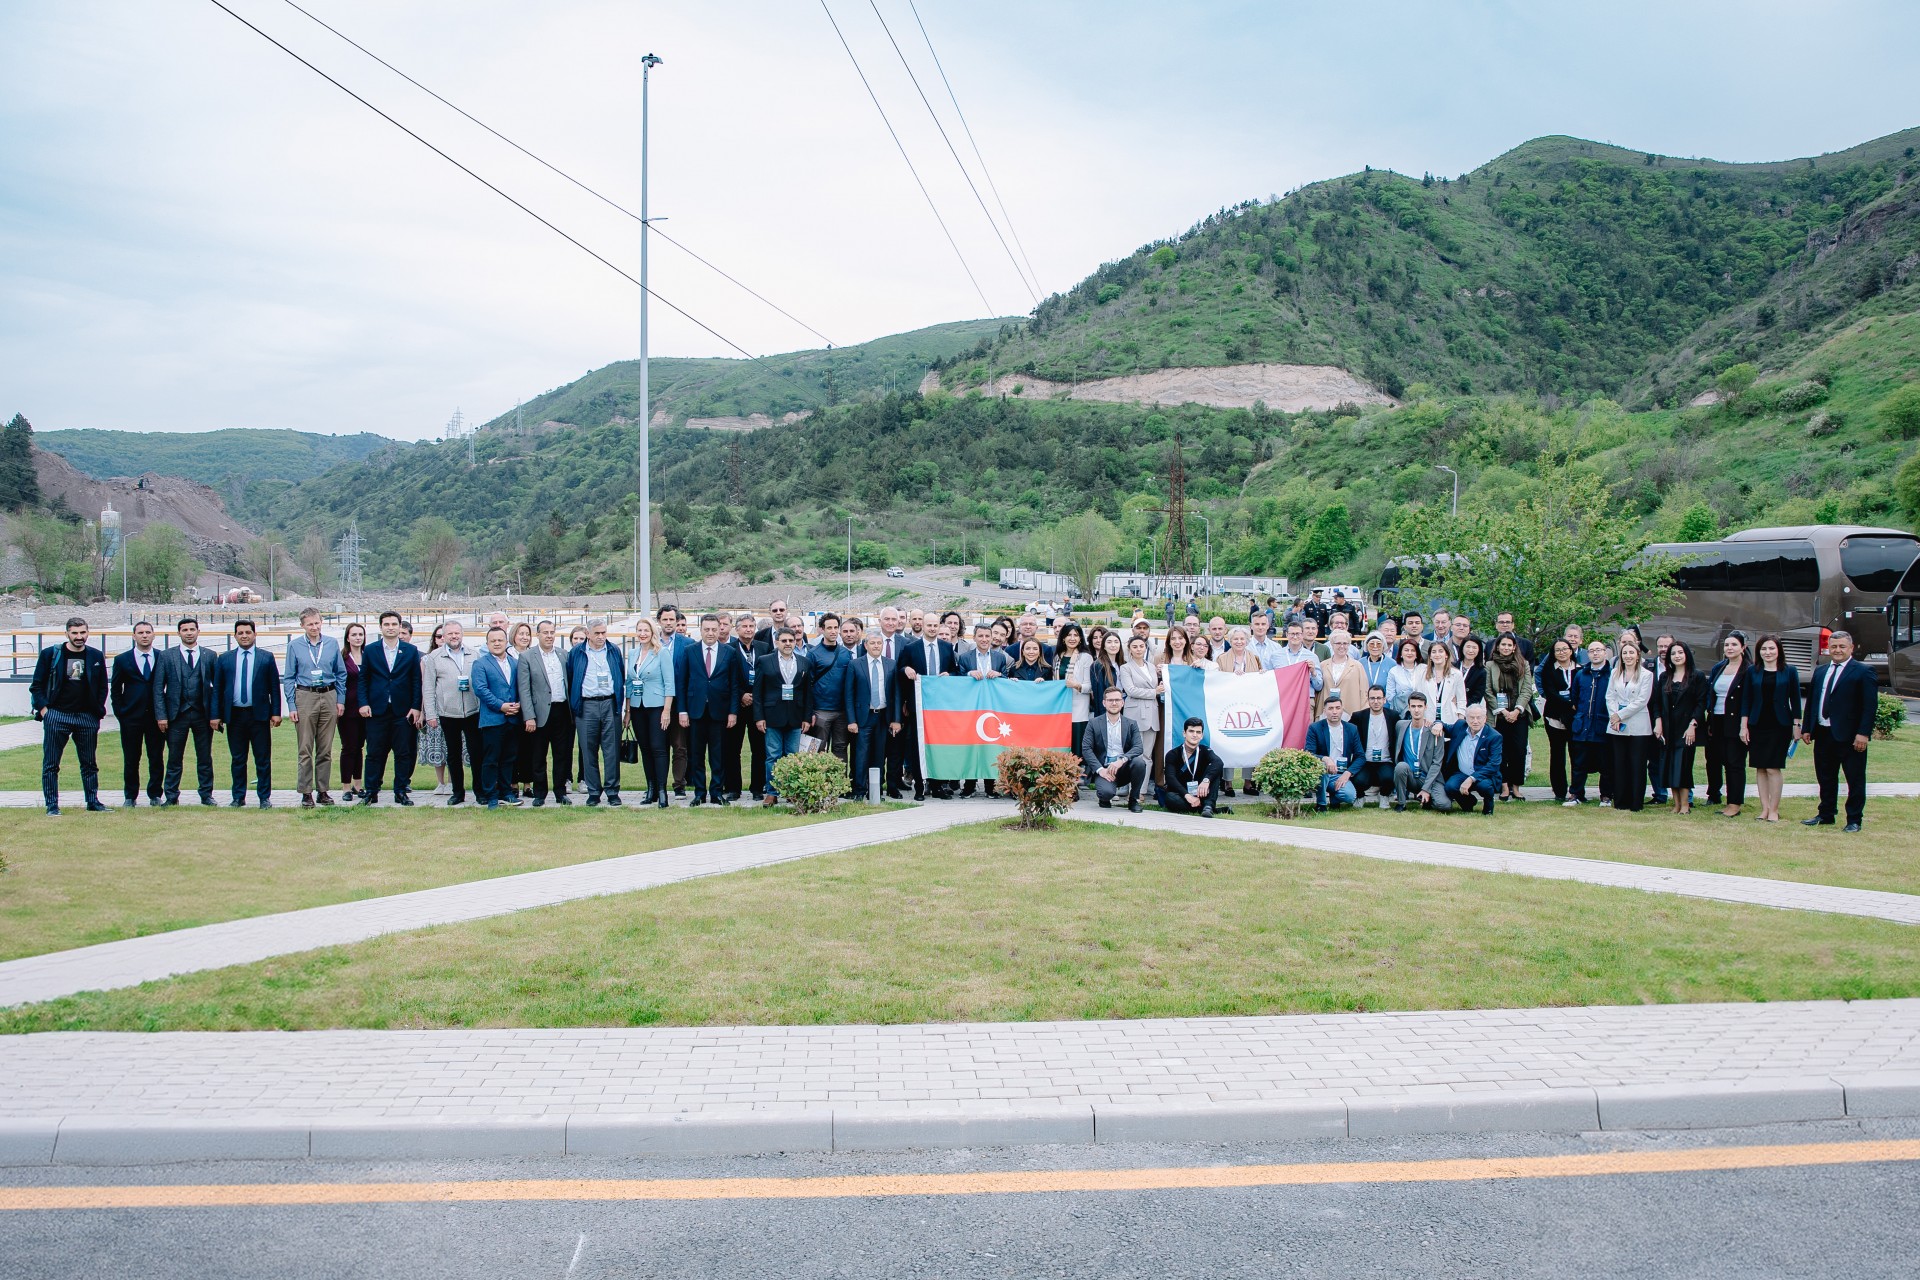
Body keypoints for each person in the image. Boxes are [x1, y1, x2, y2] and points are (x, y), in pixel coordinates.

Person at [31, 616, 109, 816]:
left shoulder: (96, 656)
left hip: (86, 717)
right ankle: (52, 805)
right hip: (57, 715)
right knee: (51, 764)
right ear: (67, 633)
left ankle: (93, 802)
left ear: (88, 632)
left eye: (83, 632)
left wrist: (96, 711)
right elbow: (36, 686)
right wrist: (45, 711)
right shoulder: (51, 654)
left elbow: (102, 686)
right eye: (74, 633)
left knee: (89, 763)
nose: (79, 637)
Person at [1801, 629, 1876, 832]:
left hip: (1850, 736)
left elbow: (1869, 706)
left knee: (1855, 778)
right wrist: (1807, 727)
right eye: (1834, 646)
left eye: (1842, 646)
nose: (1837, 650)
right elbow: (1812, 702)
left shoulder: (1862, 671)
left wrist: (1863, 733)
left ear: (1851, 648)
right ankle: (1826, 814)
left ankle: (1854, 819)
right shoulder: (1821, 671)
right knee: (1825, 777)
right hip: (1824, 733)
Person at [210, 618, 282, 809]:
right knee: (238, 759)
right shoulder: (224, 658)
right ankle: (238, 796)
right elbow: (217, 689)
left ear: (255, 634)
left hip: (258, 715)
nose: (244, 636)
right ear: (235, 635)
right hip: (234, 716)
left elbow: (274, 687)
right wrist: (215, 715)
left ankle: (264, 797)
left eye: (248, 632)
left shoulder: (266, 657)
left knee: (262, 759)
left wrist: (276, 712)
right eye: (240, 633)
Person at [674, 613, 742, 806]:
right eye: (707, 629)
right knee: (696, 755)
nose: (711, 633)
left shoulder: (729, 652)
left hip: (719, 712)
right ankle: (699, 793)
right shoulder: (690, 651)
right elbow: (682, 683)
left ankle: (716, 793)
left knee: (718, 755)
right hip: (695, 712)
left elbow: (734, 685)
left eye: (714, 629)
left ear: (719, 629)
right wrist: (682, 711)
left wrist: (733, 712)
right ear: (701, 630)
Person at [282, 607, 346, 808]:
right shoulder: (295, 646)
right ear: (302, 625)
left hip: (328, 695)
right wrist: (292, 704)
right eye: (309, 624)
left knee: (325, 748)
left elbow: (341, 673)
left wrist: (340, 699)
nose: (314, 627)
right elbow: (289, 677)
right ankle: (306, 792)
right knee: (305, 748)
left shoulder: (331, 643)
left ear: (321, 622)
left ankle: (323, 790)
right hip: (305, 696)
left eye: (317, 623)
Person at [357, 611, 423, 805]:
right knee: (374, 753)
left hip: (402, 711)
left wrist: (415, 707)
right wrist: (363, 703)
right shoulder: (370, 650)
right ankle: (371, 791)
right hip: (377, 710)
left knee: (403, 753)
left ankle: (401, 791)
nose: (391, 627)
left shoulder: (410, 651)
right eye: (387, 624)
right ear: (381, 627)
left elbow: (416, 681)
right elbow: (363, 679)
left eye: (394, 624)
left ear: (400, 626)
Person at [156, 617, 217, 806]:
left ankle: (206, 794)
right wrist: (161, 715)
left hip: (202, 714)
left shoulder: (209, 655)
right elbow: (158, 688)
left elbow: (216, 688)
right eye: (185, 630)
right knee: (174, 757)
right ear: (179, 633)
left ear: (198, 631)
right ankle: (171, 796)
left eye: (192, 629)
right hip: (177, 715)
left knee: (205, 757)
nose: (189, 632)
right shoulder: (167, 656)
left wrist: (216, 715)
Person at [422, 621, 484, 807]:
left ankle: (480, 791)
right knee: (453, 755)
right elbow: (428, 687)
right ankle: (457, 792)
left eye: (457, 633)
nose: (454, 636)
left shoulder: (474, 654)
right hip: (448, 713)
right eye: (449, 634)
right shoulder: (434, 657)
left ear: (462, 634)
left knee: (476, 754)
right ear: (444, 636)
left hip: (473, 711)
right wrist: (431, 714)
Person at [897, 617, 959, 799]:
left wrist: (950, 674)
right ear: (922, 627)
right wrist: (906, 669)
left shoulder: (946, 648)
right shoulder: (910, 648)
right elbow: (900, 671)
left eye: (935, 626)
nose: (932, 629)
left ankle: (937, 786)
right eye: (929, 625)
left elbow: (955, 671)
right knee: (917, 747)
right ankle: (919, 787)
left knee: (937, 746)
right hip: (918, 705)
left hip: (939, 707)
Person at [1742, 634, 1801, 824]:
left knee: (1773, 768)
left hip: (1780, 724)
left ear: (1779, 650)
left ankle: (1774, 809)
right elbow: (1746, 700)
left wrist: (1797, 725)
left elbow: (1796, 700)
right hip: (1757, 724)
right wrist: (1744, 726)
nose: (1768, 652)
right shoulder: (1753, 671)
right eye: (1764, 649)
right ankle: (1764, 809)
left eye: (1771, 649)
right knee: (1760, 767)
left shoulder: (1790, 671)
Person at [756, 627, 816, 806]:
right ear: (777, 642)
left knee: (793, 755)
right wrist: (759, 717)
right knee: (773, 755)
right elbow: (758, 692)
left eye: (791, 640)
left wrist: (806, 717)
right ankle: (772, 792)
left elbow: (807, 693)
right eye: (784, 641)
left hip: (796, 716)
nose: (788, 644)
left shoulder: (804, 662)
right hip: (772, 715)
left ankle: (791, 791)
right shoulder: (765, 661)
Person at [570, 617, 627, 806]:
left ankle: (612, 791)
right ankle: (593, 792)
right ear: (588, 634)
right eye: (597, 633)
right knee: (588, 750)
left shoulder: (613, 650)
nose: (601, 636)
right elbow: (572, 677)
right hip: (587, 705)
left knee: (611, 750)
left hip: (609, 703)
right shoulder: (577, 653)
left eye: (604, 633)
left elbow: (620, 674)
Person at [517, 619, 574, 807]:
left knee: (561, 755)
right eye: (545, 633)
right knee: (538, 755)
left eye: (552, 632)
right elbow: (524, 690)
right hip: (539, 713)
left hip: (562, 711)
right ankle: (540, 794)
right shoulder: (527, 657)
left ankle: (560, 792)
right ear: (538, 635)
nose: (549, 636)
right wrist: (529, 716)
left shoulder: (563, 654)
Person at [109, 619, 165, 808]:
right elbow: (115, 689)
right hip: (131, 717)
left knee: (156, 757)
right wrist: (121, 713)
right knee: (131, 758)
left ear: (153, 635)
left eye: (147, 632)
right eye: (140, 633)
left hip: (156, 718)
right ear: (134, 636)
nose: (144, 636)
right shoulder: (122, 660)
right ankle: (130, 795)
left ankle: (155, 794)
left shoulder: (162, 657)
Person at [1653, 640, 1710, 816]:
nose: (1677, 656)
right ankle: (1676, 804)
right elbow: (1656, 702)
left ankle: (1685, 805)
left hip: (1687, 729)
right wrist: (1658, 722)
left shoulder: (1697, 676)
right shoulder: (1664, 677)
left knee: (1682, 766)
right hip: (1669, 728)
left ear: (1687, 655)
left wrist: (1693, 725)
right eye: (1673, 653)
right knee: (1670, 766)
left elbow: (1701, 703)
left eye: (1680, 653)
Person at [623, 618, 675, 808]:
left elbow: (670, 684)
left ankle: (662, 791)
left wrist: (666, 710)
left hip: (657, 707)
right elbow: (629, 683)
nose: (642, 633)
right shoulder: (634, 652)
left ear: (652, 632)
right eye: (639, 630)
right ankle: (650, 788)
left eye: (646, 630)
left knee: (658, 748)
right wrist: (627, 711)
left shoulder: (661, 653)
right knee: (645, 748)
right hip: (637, 707)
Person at [958, 622, 1012, 799]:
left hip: (992, 709)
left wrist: (999, 675)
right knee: (971, 746)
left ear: (992, 638)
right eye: (980, 636)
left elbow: (1005, 681)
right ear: (974, 638)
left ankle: (991, 786)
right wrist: (968, 675)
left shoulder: (999, 658)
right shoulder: (965, 658)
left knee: (991, 746)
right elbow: (957, 681)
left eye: (987, 636)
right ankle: (969, 785)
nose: (984, 639)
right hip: (972, 709)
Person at [472, 625, 522, 809]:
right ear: (487, 643)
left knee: (509, 758)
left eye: (500, 640)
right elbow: (481, 690)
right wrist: (501, 706)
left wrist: (519, 704)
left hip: (513, 719)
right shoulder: (481, 664)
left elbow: (521, 687)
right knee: (491, 759)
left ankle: (506, 792)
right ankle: (490, 795)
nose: (497, 643)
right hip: (493, 719)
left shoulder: (515, 663)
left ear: (506, 642)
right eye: (492, 641)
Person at [1702, 633, 1752, 817]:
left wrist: (1744, 725)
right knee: (1713, 759)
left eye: (1734, 644)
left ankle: (1734, 803)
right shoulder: (1719, 667)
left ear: (1743, 647)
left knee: (1734, 762)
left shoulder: (1749, 670)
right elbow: (1711, 692)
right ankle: (1714, 794)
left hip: (1736, 721)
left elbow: (1748, 698)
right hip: (1716, 720)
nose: (1729, 648)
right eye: (1727, 645)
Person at [845, 630, 899, 801]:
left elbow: (896, 694)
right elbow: (848, 694)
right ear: (866, 645)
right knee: (861, 756)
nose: (876, 646)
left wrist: (896, 719)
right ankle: (859, 791)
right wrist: (851, 720)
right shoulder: (855, 664)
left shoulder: (891, 664)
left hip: (883, 717)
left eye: (879, 643)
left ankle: (875, 792)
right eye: (873, 643)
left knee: (879, 756)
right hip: (863, 717)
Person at [1605, 636, 1655, 812]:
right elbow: (1609, 696)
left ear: (1638, 655)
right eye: (1624, 652)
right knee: (1619, 764)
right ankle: (1620, 801)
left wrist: (1619, 715)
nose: (1627, 656)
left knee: (1637, 765)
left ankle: (1635, 803)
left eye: (1631, 652)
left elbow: (1641, 701)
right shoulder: (1614, 673)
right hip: (1616, 726)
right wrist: (1614, 716)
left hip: (1638, 726)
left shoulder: (1647, 675)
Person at [1484, 633, 1534, 802]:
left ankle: (1516, 787)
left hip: (1518, 714)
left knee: (1519, 751)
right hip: (1498, 715)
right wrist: (1503, 711)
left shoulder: (1523, 664)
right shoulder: (1489, 665)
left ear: (1514, 647)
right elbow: (1488, 691)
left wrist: (1516, 711)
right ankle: (1504, 786)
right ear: (1497, 646)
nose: (1505, 648)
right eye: (1502, 644)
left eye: (1509, 645)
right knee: (1501, 752)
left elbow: (1527, 689)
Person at [1082, 685, 1147, 811]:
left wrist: (1121, 760)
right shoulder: (1093, 723)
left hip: (1123, 768)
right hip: (1104, 769)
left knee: (1139, 763)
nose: (1114, 703)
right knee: (1106, 794)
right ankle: (1104, 797)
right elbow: (1086, 749)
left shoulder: (1131, 724)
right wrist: (1100, 770)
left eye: (1117, 700)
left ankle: (1133, 800)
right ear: (1104, 703)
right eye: (1110, 700)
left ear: (1122, 703)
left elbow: (1138, 747)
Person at [1569, 639, 1614, 807]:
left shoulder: (1612, 674)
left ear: (1605, 652)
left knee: (1605, 764)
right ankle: (1576, 794)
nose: (1595, 653)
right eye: (1591, 650)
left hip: (1602, 725)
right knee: (1579, 763)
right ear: (1587, 654)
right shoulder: (1581, 674)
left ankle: (1606, 795)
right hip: (1582, 726)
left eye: (1599, 650)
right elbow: (1575, 697)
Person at [726, 613, 766, 803]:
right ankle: (733, 788)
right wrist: (741, 694)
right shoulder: (728, 649)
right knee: (733, 748)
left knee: (759, 749)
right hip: (737, 705)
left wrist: (755, 696)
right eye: (744, 626)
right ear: (737, 628)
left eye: (751, 626)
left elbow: (767, 676)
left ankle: (758, 788)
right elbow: (726, 678)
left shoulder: (764, 648)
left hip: (758, 706)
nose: (748, 629)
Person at [1537, 638, 1581, 805]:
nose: (1562, 652)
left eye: (1565, 649)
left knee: (1576, 755)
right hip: (1554, 717)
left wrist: (1574, 705)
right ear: (1553, 654)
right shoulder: (1548, 671)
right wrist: (1571, 704)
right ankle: (1560, 791)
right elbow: (1551, 693)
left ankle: (1577, 791)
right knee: (1557, 755)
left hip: (1575, 719)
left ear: (1571, 650)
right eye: (1558, 650)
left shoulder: (1580, 670)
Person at [653, 608, 691, 796]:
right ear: (659, 621)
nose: (669, 623)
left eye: (672, 619)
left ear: (677, 622)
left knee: (679, 746)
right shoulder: (651, 643)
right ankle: (657, 786)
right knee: (658, 746)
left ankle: (679, 785)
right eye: (665, 619)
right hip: (655, 702)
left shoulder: (688, 644)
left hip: (679, 703)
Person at [1393, 692, 1451, 812]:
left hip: (1430, 778)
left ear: (1426, 707)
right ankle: (1401, 803)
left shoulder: (1435, 732)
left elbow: (1437, 763)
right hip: (1411, 777)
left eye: (1420, 706)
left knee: (1444, 806)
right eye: (1413, 706)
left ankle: (1426, 797)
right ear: (1409, 707)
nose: (1416, 710)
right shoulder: (1401, 726)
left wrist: (1426, 789)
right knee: (1400, 767)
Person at [807, 612, 852, 770]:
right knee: (817, 749)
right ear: (821, 630)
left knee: (840, 749)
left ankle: (838, 785)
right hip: (820, 710)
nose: (833, 631)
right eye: (829, 628)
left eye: (836, 627)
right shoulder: (813, 654)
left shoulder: (846, 654)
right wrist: (810, 711)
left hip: (841, 711)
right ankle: (818, 785)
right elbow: (807, 685)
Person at [1442, 702, 1503, 815]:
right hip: (1462, 772)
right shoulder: (1460, 726)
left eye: (1479, 718)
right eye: (1472, 718)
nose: (1475, 721)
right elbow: (1444, 726)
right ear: (1466, 718)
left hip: (1483, 774)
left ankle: (1488, 807)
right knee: (1450, 787)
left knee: (1484, 786)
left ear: (1485, 718)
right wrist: (1437, 724)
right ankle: (1468, 803)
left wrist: (1471, 778)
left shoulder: (1494, 736)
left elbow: (1494, 764)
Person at [1118, 634, 1163, 789]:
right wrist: (1154, 692)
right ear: (1129, 650)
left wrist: (1158, 690)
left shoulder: (1151, 666)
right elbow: (1130, 690)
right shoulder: (1125, 668)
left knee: (1147, 755)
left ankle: (1142, 791)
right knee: (1134, 754)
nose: (1138, 649)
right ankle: (1132, 789)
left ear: (1146, 648)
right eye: (1135, 646)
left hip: (1152, 714)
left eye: (1141, 646)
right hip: (1135, 714)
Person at [1304, 693, 1362, 810]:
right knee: (1323, 767)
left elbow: (1360, 756)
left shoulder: (1351, 729)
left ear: (1342, 710)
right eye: (1330, 708)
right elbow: (1308, 753)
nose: (1334, 712)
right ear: (1325, 711)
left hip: (1340, 773)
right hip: (1321, 772)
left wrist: (1347, 773)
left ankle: (1334, 797)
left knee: (1350, 796)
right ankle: (1321, 804)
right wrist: (1325, 759)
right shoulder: (1315, 728)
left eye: (1337, 708)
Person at [1158, 716, 1224, 817]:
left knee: (1215, 770)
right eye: (1191, 731)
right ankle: (1204, 807)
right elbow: (1170, 778)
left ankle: (1208, 806)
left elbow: (1219, 762)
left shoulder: (1205, 751)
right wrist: (1187, 795)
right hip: (1182, 794)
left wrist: (1206, 780)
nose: (1194, 735)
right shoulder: (1172, 754)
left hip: (1201, 792)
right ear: (1184, 733)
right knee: (1170, 798)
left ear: (1202, 735)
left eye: (1198, 732)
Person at [1349, 684, 1399, 807]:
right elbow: (1347, 732)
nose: (1376, 701)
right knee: (1358, 780)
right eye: (1372, 698)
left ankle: (1384, 795)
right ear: (1368, 699)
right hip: (1364, 761)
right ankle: (1360, 796)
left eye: (1379, 698)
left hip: (1385, 760)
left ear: (1384, 699)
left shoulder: (1393, 716)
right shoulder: (1358, 716)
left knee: (1390, 777)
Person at [417, 624, 452, 795]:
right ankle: (440, 782)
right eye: (438, 636)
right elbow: (426, 687)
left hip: (452, 707)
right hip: (434, 709)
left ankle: (453, 782)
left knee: (453, 746)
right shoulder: (426, 659)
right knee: (436, 746)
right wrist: (424, 712)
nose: (441, 639)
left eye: (443, 636)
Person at [337, 622, 368, 801]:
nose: (357, 638)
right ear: (347, 637)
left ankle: (358, 784)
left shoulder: (368, 655)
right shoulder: (342, 657)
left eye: (360, 634)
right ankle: (346, 787)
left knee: (360, 748)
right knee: (349, 747)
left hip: (366, 709)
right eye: (354, 634)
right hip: (347, 709)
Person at [1057, 622, 1091, 773]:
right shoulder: (1058, 657)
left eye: (1076, 635)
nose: (1072, 638)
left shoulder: (1085, 657)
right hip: (1061, 709)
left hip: (1078, 710)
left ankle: (1075, 782)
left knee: (1076, 748)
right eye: (1068, 635)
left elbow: (1089, 686)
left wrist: (1077, 685)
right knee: (1062, 746)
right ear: (1063, 638)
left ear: (1080, 638)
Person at [1317, 631, 1367, 717]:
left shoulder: (1357, 666)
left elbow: (1364, 691)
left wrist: (1364, 713)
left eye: (1345, 643)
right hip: (1327, 711)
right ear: (1332, 645)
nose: (1342, 646)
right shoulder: (1323, 665)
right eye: (1338, 643)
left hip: (1350, 711)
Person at [1418, 641, 1467, 727]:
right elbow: (1419, 698)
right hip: (1428, 720)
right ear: (1430, 657)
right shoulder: (1422, 674)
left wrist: (1460, 721)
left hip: (1450, 720)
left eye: (1441, 651)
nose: (1437, 654)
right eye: (1434, 652)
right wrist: (1422, 718)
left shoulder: (1456, 674)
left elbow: (1461, 700)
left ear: (1446, 655)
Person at [1384, 637, 1424, 716]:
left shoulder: (1424, 669)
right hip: (1401, 713)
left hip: (1423, 712)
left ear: (1417, 654)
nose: (1409, 653)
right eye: (1406, 650)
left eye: (1413, 650)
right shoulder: (1394, 671)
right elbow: (1390, 696)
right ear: (1401, 654)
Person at [1457, 635, 1487, 712]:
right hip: (1450, 709)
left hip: (1469, 710)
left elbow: (1477, 697)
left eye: (1474, 648)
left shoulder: (1481, 672)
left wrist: (1462, 706)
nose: (1470, 650)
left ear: (1479, 650)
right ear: (1462, 647)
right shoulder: (1452, 667)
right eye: (1468, 646)